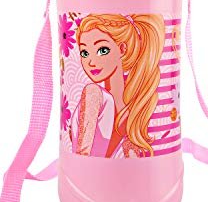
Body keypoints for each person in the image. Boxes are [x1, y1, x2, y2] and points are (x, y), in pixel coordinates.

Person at [71, 14, 165, 158]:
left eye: (102, 50)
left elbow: (82, 157)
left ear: (122, 49)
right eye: (84, 53)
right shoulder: (129, 111)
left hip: (83, 171)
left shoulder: (130, 110)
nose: (90, 61)